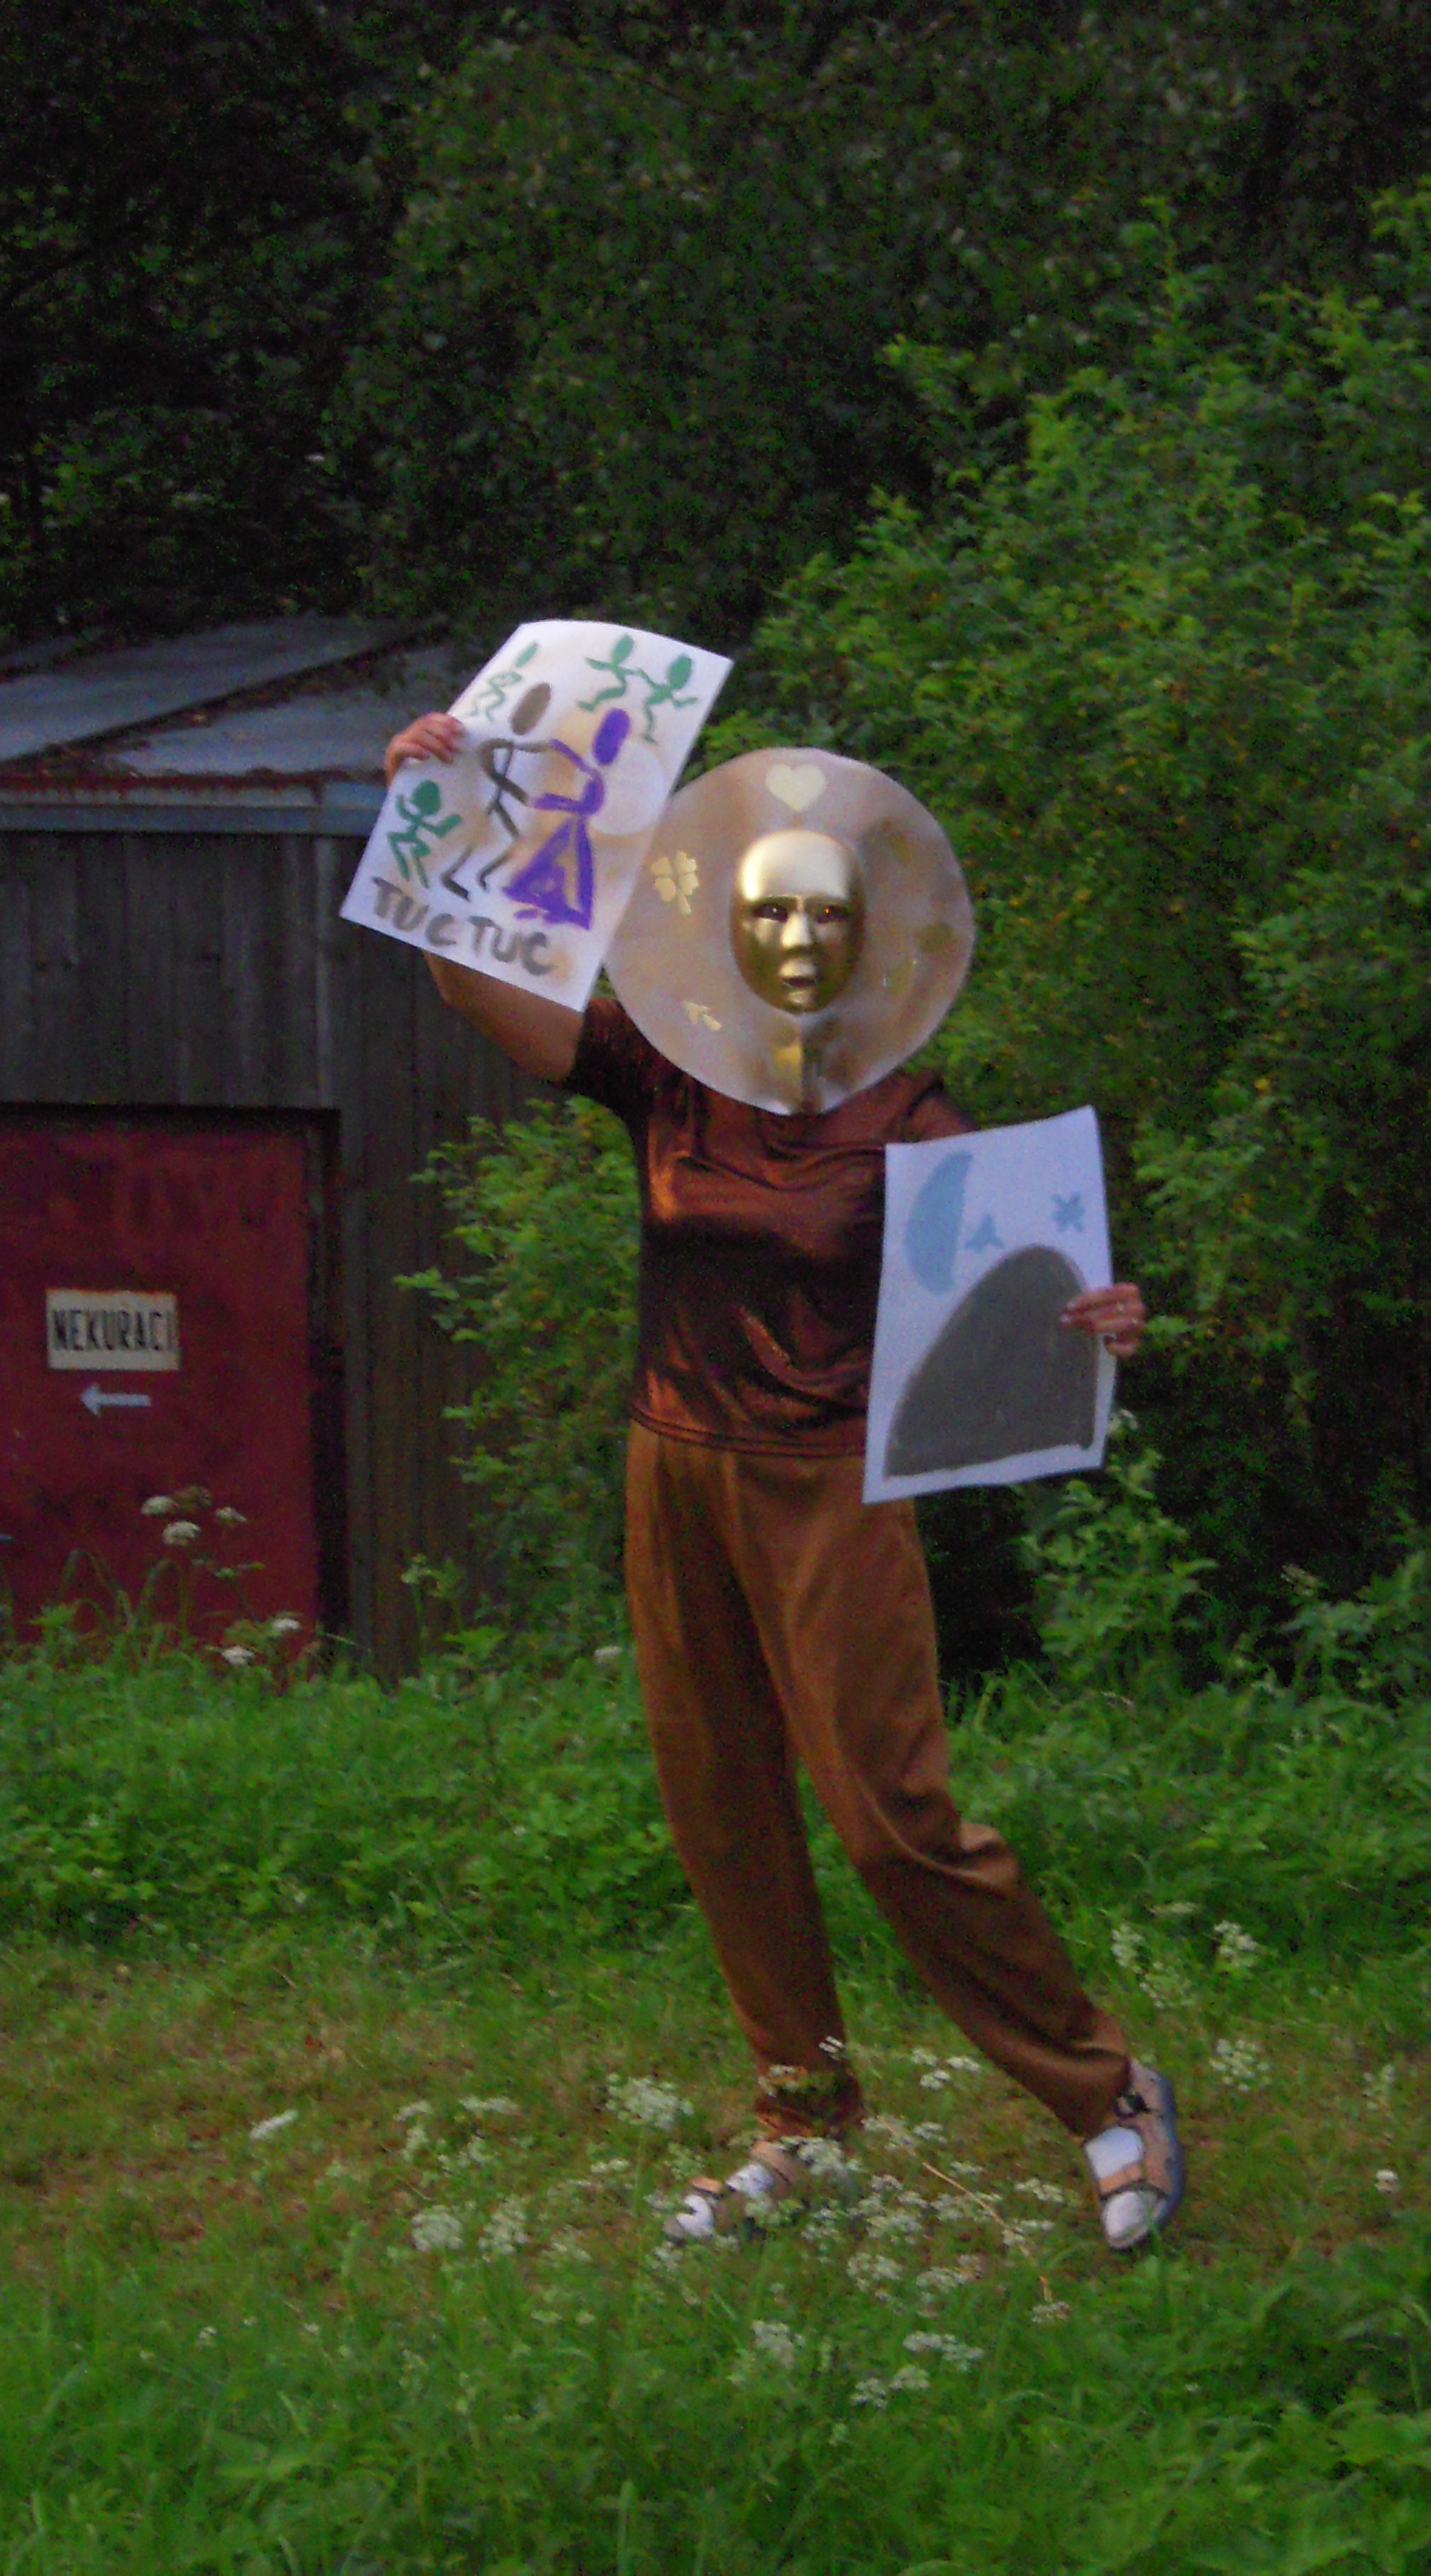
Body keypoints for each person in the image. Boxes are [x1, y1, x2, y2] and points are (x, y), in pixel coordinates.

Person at [383, 710, 1185, 2252]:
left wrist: (1103, 1319)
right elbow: (483, 985)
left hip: (831, 1485)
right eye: (771, 914)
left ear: (867, 937)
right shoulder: (666, 1073)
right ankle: (803, 2125)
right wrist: (444, 810)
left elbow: (1027, 1286)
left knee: (892, 1819)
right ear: (730, 934)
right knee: (722, 1803)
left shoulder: (914, 1114)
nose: (799, 939)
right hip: (672, 1466)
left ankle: (1109, 2095)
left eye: (826, 914)